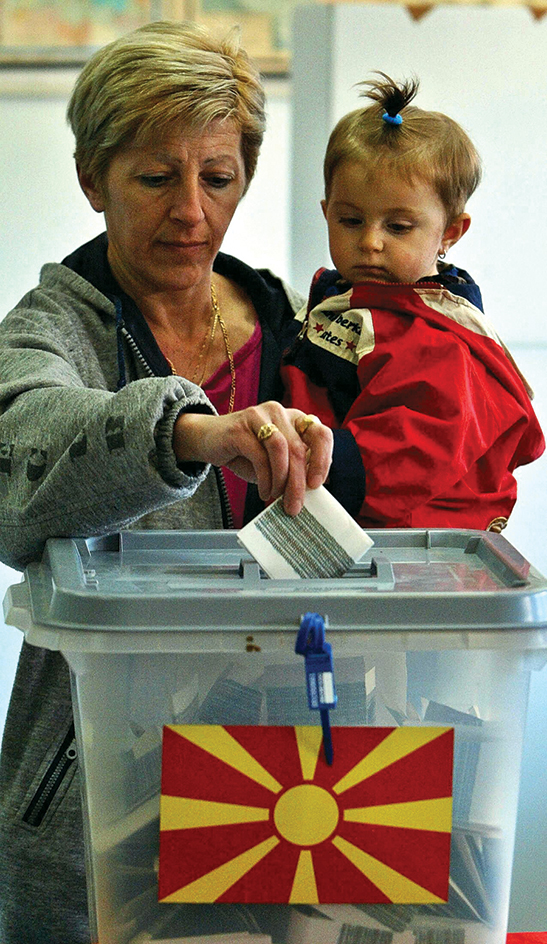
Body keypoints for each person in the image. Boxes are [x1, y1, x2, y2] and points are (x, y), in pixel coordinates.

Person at [0, 22, 332, 944]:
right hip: (99, 790)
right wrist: (189, 435)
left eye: (217, 179)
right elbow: (16, 458)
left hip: (299, 783)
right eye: (155, 178)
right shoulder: (49, 328)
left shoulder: (303, 326)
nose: (191, 211)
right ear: (91, 179)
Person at [281, 73, 544, 530]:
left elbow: (407, 453)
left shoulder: (435, 339)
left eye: (398, 227)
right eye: (349, 220)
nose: (369, 242)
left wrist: (309, 468)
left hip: (407, 547)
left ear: (450, 233)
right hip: (333, 509)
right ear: (326, 212)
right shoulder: (343, 296)